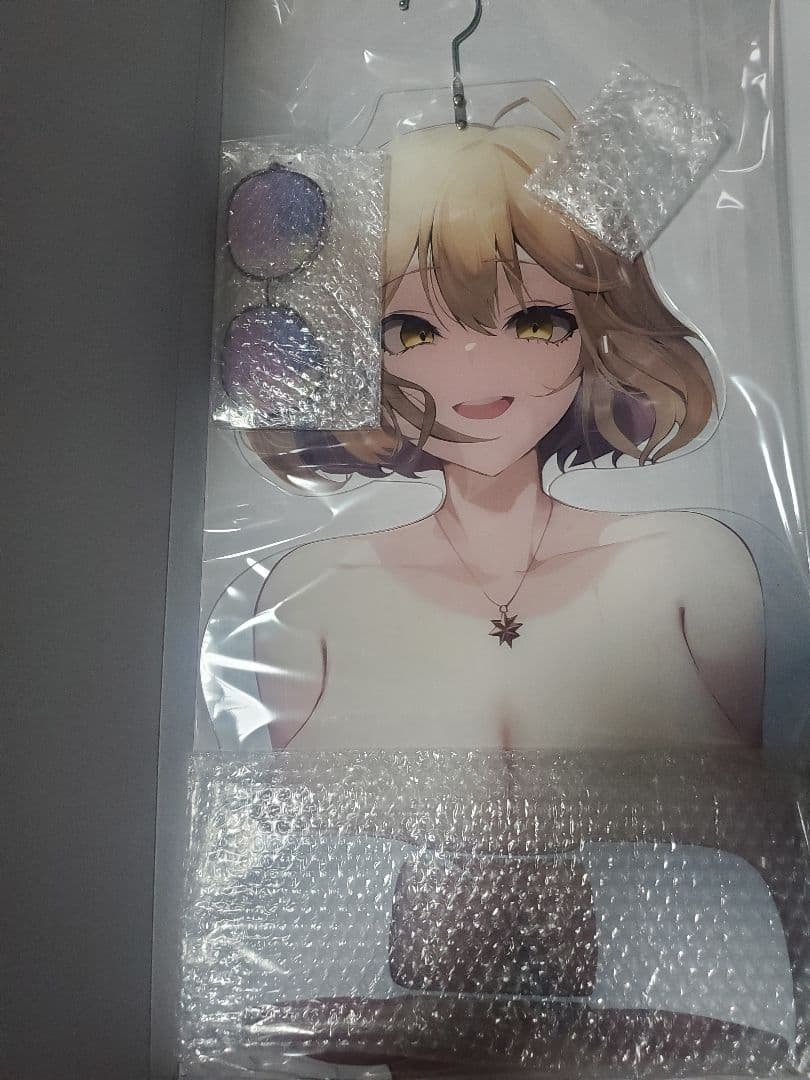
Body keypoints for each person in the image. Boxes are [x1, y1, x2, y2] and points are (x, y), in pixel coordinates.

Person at [247, 102, 764, 751]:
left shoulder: (693, 569)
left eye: (535, 323)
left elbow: (761, 800)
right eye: (412, 331)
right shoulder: (308, 599)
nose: (476, 363)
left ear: (599, 335)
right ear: (353, 356)